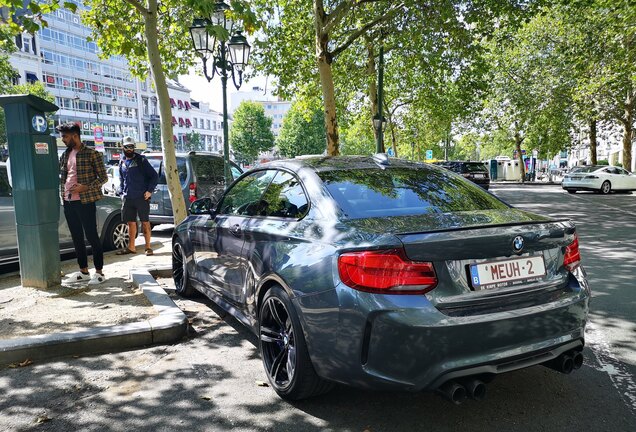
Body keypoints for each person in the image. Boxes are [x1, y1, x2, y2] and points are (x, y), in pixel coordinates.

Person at [57, 122, 108, 285]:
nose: (63, 139)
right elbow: (64, 177)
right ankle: (83, 271)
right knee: (77, 237)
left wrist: (85, 187)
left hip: (85, 201)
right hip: (68, 201)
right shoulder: (65, 154)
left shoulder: (92, 153)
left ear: (74, 135)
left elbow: (103, 178)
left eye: (65, 136)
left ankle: (99, 272)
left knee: (92, 236)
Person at [117, 136, 158, 256]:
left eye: (131, 147)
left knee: (145, 222)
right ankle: (131, 247)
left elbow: (154, 176)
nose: (129, 149)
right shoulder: (121, 162)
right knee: (130, 223)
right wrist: (121, 193)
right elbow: (121, 179)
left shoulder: (142, 160)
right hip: (128, 197)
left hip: (141, 197)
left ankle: (148, 247)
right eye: (127, 147)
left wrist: (149, 191)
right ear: (122, 147)